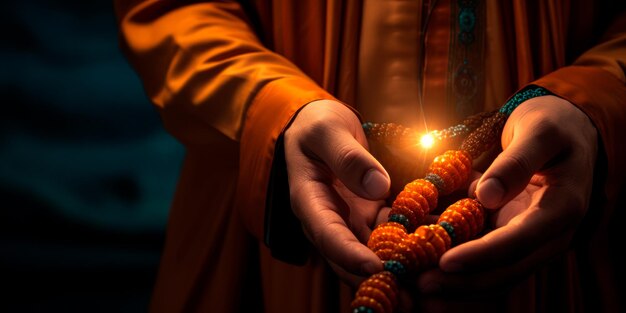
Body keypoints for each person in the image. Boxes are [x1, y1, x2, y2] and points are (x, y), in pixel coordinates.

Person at [114, 0, 626, 312]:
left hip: (567, 245)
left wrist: (599, 103)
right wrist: (273, 108)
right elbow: (170, 11)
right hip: (271, 264)